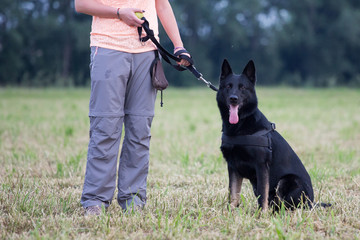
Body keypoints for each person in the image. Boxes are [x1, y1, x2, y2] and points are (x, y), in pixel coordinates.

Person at [74, 0, 191, 216]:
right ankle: (96, 201)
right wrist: (119, 13)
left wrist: (178, 45)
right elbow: (81, 4)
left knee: (140, 130)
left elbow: (162, 5)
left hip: (147, 51)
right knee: (105, 128)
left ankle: (134, 201)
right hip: (108, 47)